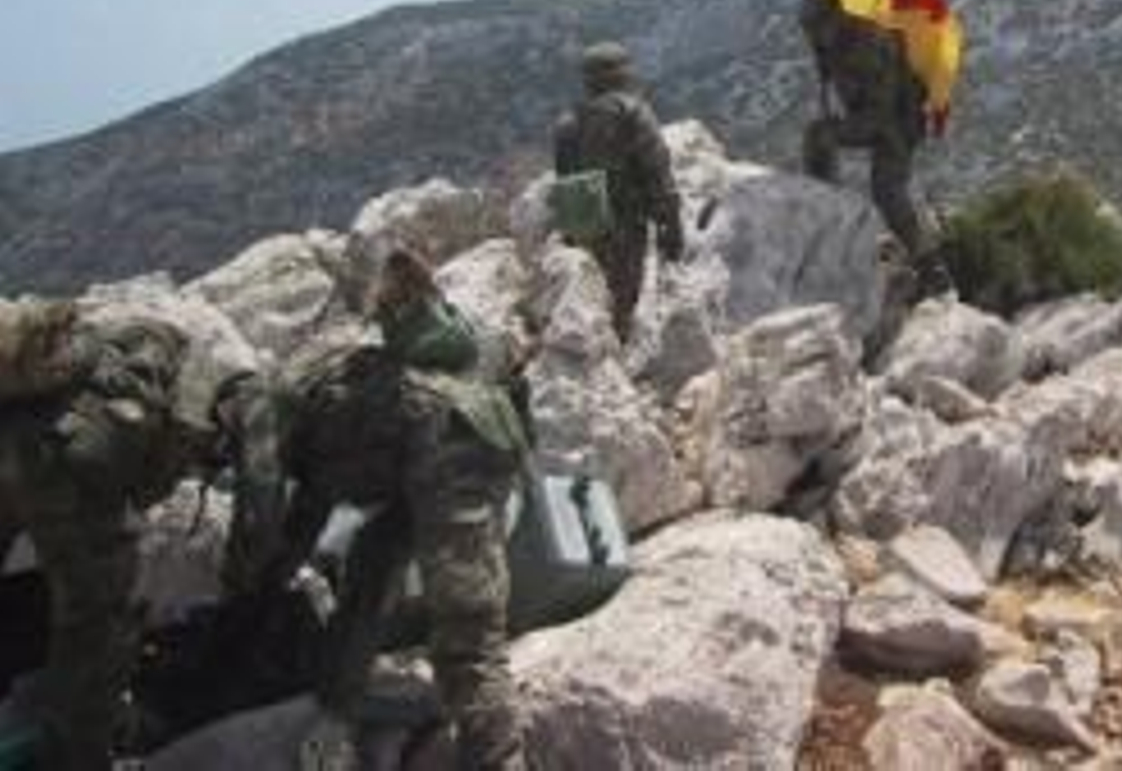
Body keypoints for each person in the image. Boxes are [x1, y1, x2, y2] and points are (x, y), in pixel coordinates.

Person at [218, 249, 528, 771]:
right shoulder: (332, 384)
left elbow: (266, 516)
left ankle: (500, 760)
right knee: (372, 559)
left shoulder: (269, 409)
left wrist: (244, 588)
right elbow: (305, 517)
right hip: (476, 435)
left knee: (466, 636)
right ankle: (339, 702)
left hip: (447, 449)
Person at [0, 299, 191, 771]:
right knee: (93, 634)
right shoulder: (111, 361)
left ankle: (75, 748)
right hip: (91, 523)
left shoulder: (50, 450)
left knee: (90, 638)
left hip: (77, 524)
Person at [799, 0, 953, 298]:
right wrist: (825, 64)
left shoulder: (869, 43)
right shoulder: (830, 40)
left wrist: (842, 127)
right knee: (817, 136)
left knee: (887, 190)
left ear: (834, 18)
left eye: (816, 27)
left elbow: (880, 112)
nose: (813, 34)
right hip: (872, 116)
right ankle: (825, 212)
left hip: (898, 123)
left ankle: (931, 268)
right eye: (809, 29)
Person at [551, 41, 686, 340]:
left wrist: (571, 234)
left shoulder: (567, 121)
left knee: (592, 298)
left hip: (584, 226)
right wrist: (671, 224)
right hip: (626, 223)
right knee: (623, 300)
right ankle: (615, 355)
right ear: (624, 74)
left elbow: (563, 181)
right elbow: (657, 170)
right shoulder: (632, 111)